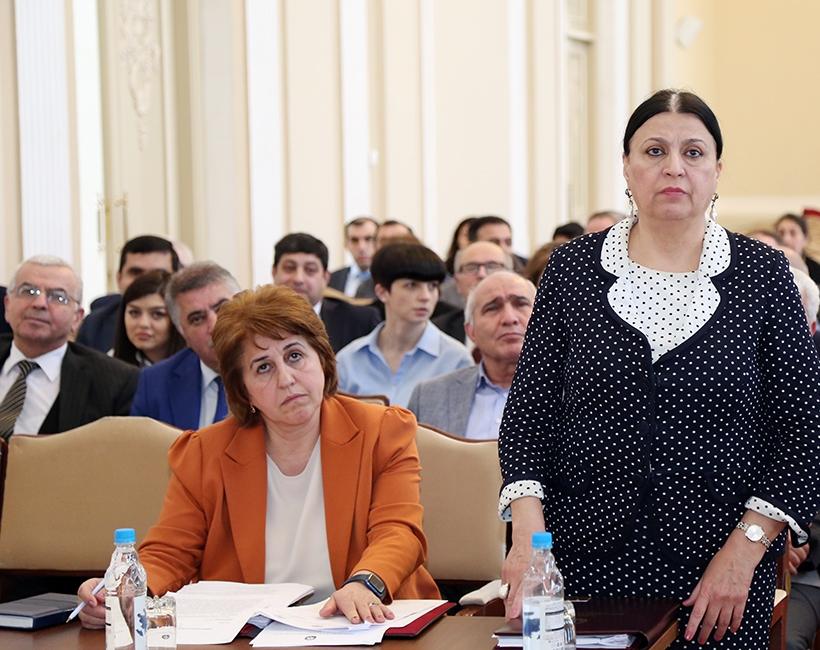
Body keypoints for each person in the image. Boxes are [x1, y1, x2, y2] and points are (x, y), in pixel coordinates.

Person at [498, 89, 820, 648]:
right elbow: (529, 416)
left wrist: (745, 552)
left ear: (717, 171)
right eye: (654, 151)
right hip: (579, 566)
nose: (674, 167)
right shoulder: (572, 270)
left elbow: (801, 432)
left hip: (720, 574)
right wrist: (527, 537)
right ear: (626, 166)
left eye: (693, 152)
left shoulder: (764, 275)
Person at [77, 284, 439, 628]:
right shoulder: (204, 453)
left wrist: (365, 582)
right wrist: (125, 591)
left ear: (323, 359)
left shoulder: (382, 431)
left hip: (363, 624)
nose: (286, 378)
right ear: (243, 390)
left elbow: (399, 531)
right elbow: (170, 552)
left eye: (295, 356)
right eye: (263, 367)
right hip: (252, 632)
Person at [0, 256, 138, 437]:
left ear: (77, 318)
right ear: (7, 305)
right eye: (28, 291)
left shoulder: (116, 382)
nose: (39, 303)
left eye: (58, 297)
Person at [336, 242, 472, 407]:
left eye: (432, 286)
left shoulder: (456, 360)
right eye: (411, 285)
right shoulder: (348, 361)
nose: (425, 296)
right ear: (382, 292)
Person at [408, 271, 535, 438]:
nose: (509, 318)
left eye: (521, 304)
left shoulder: (569, 391)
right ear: (471, 331)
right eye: (492, 308)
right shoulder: (429, 397)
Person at [129, 262, 240, 429]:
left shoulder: (275, 371)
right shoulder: (154, 383)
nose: (214, 325)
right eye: (197, 318)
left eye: (222, 308)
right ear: (183, 333)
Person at [272, 233, 380, 352]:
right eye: (289, 268)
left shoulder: (361, 321)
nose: (299, 279)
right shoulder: (257, 321)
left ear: (326, 277)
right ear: (274, 272)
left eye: (310, 270)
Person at [76, 235, 181, 352]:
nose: (145, 282)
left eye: (158, 274)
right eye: (136, 273)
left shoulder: (191, 325)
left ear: (177, 280)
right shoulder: (95, 327)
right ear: (119, 278)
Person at [432, 241, 511, 344]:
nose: (481, 274)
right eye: (471, 267)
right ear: (457, 282)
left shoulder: (528, 326)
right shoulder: (437, 332)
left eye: (492, 266)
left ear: (511, 275)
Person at [112, 270, 186, 367]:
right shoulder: (108, 365)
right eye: (134, 313)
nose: (143, 324)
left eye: (157, 314)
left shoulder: (199, 366)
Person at [329, 216, 379, 299]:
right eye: (354, 240)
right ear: (346, 244)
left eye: (368, 239)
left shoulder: (389, 279)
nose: (361, 247)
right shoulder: (331, 280)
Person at [775, 213, 820, 285]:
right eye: (781, 233)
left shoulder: (816, 270)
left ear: (806, 239)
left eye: (793, 233)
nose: (786, 239)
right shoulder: (770, 266)